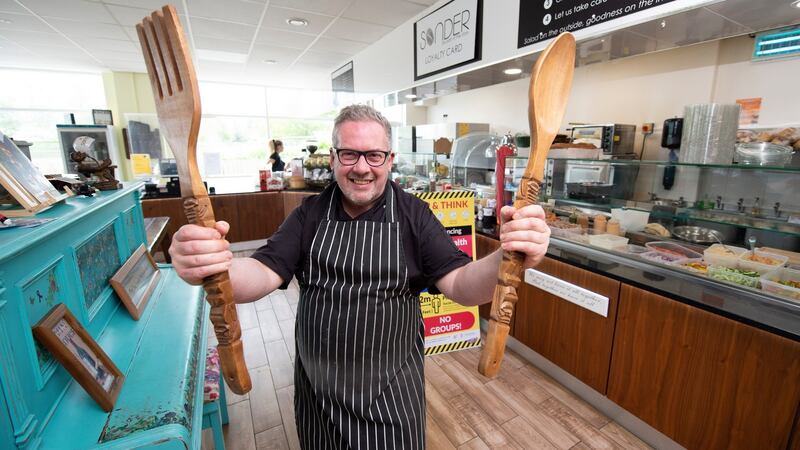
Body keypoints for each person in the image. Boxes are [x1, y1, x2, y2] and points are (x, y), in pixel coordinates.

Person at [169, 104, 550, 449]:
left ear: (390, 159)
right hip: (320, 392)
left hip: (392, 393)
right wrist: (215, 267)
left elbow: (463, 286)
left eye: (374, 155)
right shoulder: (309, 215)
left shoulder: (414, 215)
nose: (362, 167)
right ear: (333, 157)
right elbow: (261, 273)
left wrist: (508, 257)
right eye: (350, 153)